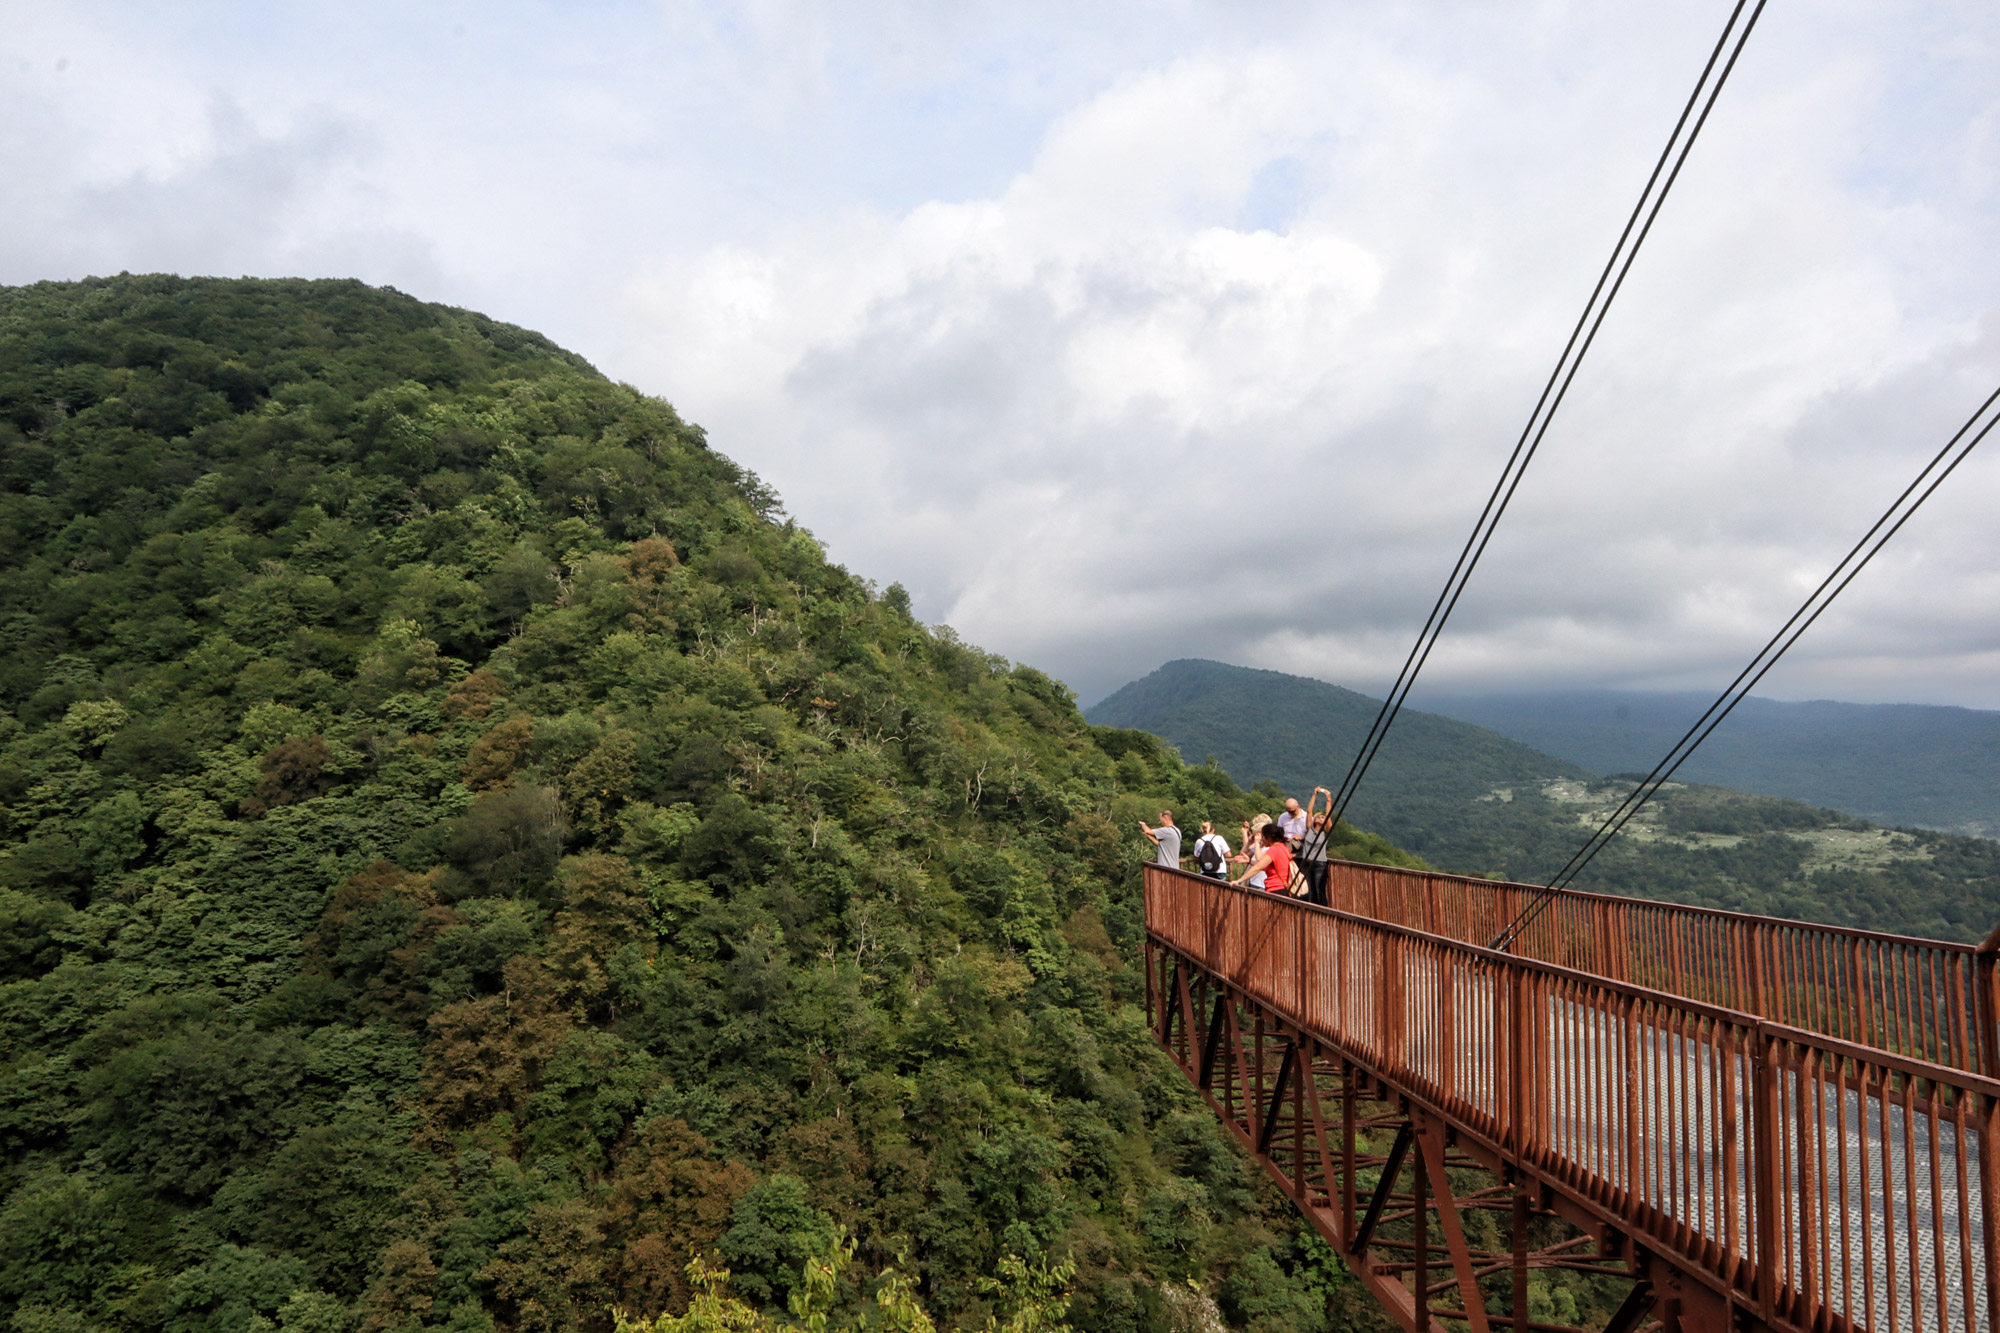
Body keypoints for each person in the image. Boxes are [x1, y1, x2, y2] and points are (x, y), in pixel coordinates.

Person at [1232, 822, 1294, 895]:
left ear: (1269, 838)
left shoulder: (1274, 850)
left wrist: (1239, 881)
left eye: (1263, 837)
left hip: (1275, 888)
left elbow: (1258, 867)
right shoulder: (1284, 848)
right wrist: (1249, 861)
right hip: (1284, 887)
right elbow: (1267, 867)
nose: (1262, 839)